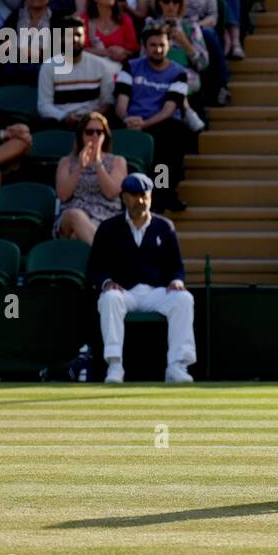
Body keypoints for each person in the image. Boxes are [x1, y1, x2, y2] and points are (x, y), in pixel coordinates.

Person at [88, 172, 195, 384]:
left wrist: (177, 281)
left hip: (156, 292)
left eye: (144, 196)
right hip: (124, 292)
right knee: (108, 298)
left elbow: (177, 267)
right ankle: (115, 366)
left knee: (184, 299)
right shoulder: (108, 228)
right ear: (124, 197)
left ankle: (177, 366)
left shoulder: (165, 227)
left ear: (151, 196)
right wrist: (107, 282)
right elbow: (94, 268)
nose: (140, 201)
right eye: (135, 196)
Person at [115, 25, 191, 213]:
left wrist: (145, 124)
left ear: (169, 46)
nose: (157, 49)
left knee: (168, 147)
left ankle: (163, 192)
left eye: (161, 45)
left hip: (160, 123)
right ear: (144, 46)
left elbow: (169, 109)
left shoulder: (178, 72)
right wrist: (127, 119)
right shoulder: (131, 66)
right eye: (153, 45)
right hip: (131, 121)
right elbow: (121, 103)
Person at [55, 111, 127, 244]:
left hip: (105, 217)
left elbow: (111, 193)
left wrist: (98, 163)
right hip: (70, 218)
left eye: (99, 132)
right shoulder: (66, 162)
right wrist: (79, 167)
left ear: (105, 136)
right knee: (74, 215)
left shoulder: (117, 161)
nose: (94, 136)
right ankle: (109, 256)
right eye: (89, 132)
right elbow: (63, 195)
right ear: (81, 135)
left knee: (77, 237)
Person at [38, 14, 120, 129]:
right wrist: (65, 117)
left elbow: (108, 102)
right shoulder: (48, 67)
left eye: (78, 35)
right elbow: (44, 105)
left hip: (93, 123)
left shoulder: (100, 66)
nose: (75, 39)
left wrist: (91, 118)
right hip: (62, 123)